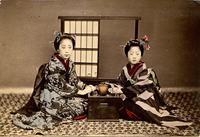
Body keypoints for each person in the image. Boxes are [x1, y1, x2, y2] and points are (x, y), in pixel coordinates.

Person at [11, 32, 96, 130]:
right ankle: (59, 114)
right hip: (51, 97)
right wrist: (80, 91)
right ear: (58, 48)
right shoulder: (52, 65)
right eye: (63, 47)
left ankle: (66, 113)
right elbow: (61, 85)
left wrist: (86, 86)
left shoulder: (71, 63)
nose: (67, 50)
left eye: (70, 47)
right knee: (80, 106)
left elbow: (75, 80)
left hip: (64, 95)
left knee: (86, 103)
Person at [116, 35, 192, 128]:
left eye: (137, 54)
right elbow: (120, 82)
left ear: (141, 54)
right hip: (129, 94)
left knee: (135, 105)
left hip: (144, 96)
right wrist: (119, 89)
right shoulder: (125, 69)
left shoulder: (146, 71)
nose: (134, 56)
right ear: (127, 54)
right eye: (131, 54)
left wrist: (123, 91)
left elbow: (140, 86)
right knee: (119, 105)